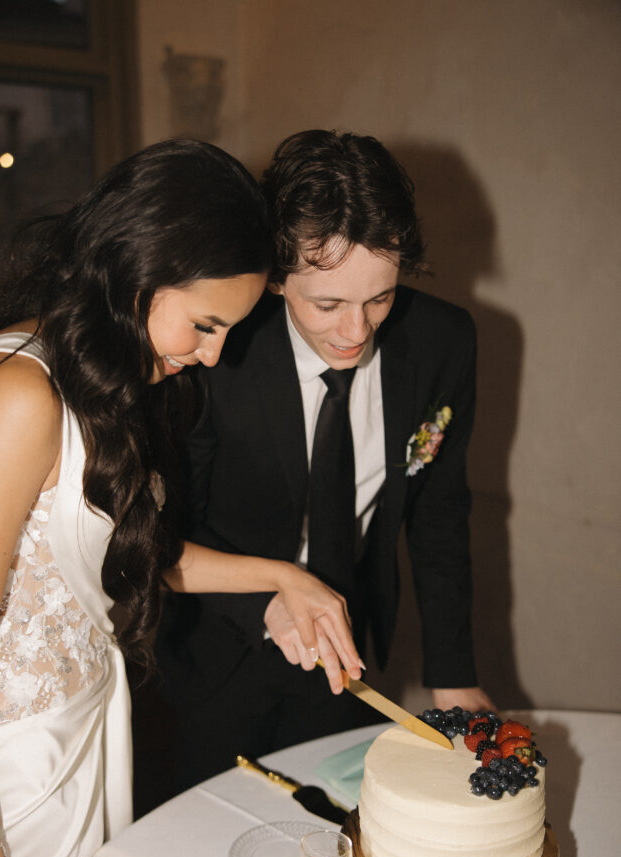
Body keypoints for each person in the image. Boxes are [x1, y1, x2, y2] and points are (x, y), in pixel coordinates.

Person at [0, 138, 361, 857]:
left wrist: (282, 576)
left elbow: (119, 554)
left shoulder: (100, 374)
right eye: (204, 325)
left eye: (227, 334)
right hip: (7, 779)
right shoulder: (21, 395)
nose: (211, 356)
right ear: (140, 271)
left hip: (86, 741)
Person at [154, 128, 495, 797]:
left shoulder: (441, 343)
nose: (356, 331)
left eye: (380, 297)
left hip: (347, 652)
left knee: (327, 829)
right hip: (210, 655)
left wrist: (450, 669)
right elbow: (164, 527)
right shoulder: (217, 350)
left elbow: (438, 513)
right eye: (328, 303)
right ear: (276, 279)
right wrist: (266, 600)